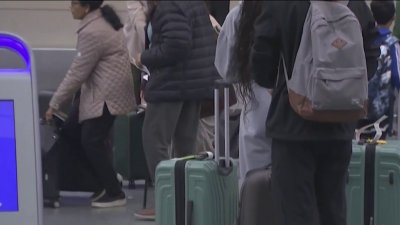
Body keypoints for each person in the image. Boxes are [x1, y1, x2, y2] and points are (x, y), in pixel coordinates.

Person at [251, 1, 379, 225]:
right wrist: (340, 90)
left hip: (292, 125)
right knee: (333, 210)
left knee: (296, 212)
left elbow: (261, 62)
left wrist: (282, 86)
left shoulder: (281, 6)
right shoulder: (355, 5)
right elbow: (371, 56)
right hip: (340, 126)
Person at [133, 1, 219, 220]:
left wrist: (144, 57)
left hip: (173, 83)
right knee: (185, 145)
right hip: (194, 82)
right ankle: (186, 200)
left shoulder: (169, 5)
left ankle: (168, 198)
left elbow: (177, 45)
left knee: (154, 139)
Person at [45, 0, 135, 208]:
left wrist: (55, 103)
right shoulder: (101, 21)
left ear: (86, 7)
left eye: (74, 3)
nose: (70, 7)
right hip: (101, 91)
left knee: (91, 141)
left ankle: (114, 191)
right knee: (71, 130)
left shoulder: (93, 31)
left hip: (105, 96)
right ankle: (104, 180)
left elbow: (77, 73)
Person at [215, 1, 272, 187]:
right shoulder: (299, 9)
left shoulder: (239, 15)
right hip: (296, 111)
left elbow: (225, 68)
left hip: (254, 106)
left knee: (254, 188)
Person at [358, 0, 400, 139]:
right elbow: (396, 77)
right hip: (381, 111)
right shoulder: (392, 45)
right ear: (393, 18)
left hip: (357, 105)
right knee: (378, 149)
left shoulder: (363, 40)